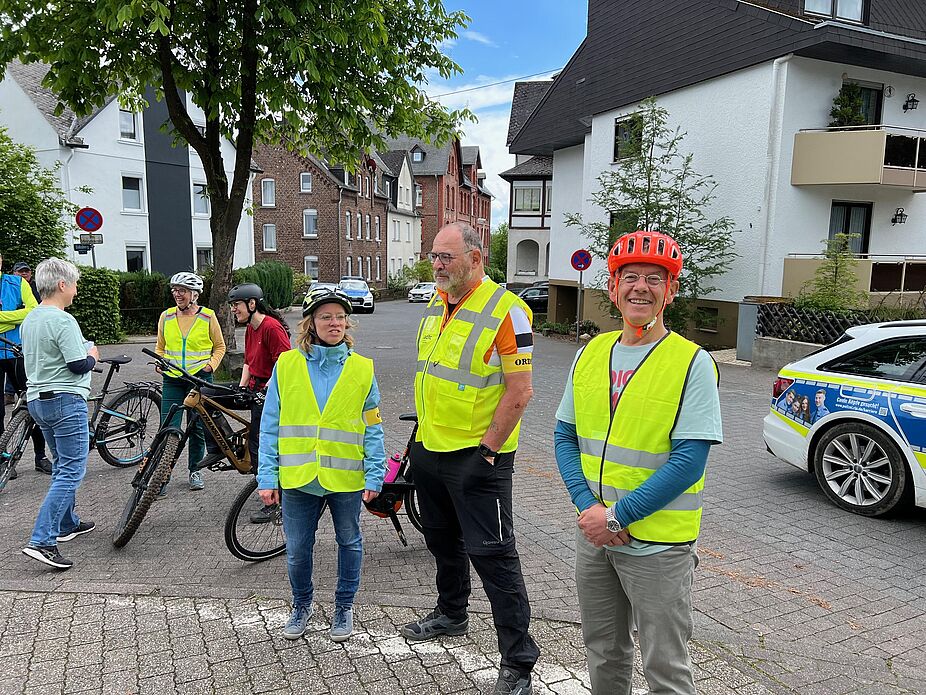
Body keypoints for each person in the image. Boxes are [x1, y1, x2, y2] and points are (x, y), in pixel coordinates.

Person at [554, 230, 722, 695]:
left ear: (670, 291)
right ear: (612, 287)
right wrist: (590, 510)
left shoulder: (692, 362)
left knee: (666, 668)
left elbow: (689, 461)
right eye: (630, 277)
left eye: (654, 278)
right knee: (603, 651)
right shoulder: (590, 353)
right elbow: (565, 436)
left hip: (658, 546)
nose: (640, 287)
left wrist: (616, 516)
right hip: (595, 536)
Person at [401, 222, 539, 695]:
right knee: (442, 541)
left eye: (446, 257)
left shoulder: (508, 311)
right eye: (434, 256)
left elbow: (519, 392)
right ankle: (451, 613)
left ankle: (519, 662)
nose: (436, 265)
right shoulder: (436, 305)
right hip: (430, 450)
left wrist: (487, 453)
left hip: (479, 459)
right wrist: (418, 444)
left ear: (476, 259)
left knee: (495, 556)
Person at [256, 286, 385, 643]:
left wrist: (375, 473)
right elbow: (270, 424)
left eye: (341, 317)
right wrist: (267, 475)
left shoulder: (362, 368)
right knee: (297, 550)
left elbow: (373, 426)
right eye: (326, 316)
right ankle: (301, 604)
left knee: (350, 542)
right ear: (311, 323)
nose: (335, 323)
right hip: (298, 478)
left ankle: (344, 605)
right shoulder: (288, 364)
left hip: (345, 477)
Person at [20, 259, 98, 570]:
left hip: (39, 400)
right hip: (66, 400)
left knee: (61, 464)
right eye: (75, 284)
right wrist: (92, 353)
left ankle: (67, 524)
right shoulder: (63, 321)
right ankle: (42, 539)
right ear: (63, 285)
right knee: (71, 470)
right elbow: (77, 364)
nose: (76, 291)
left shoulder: (30, 320)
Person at [198, 283, 291, 523]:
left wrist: (266, 392)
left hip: (271, 392)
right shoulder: (251, 328)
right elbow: (249, 363)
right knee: (204, 394)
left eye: (236, 305)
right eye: (232, 306)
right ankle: (219, 445)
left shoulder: (272, 328)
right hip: (253, 388)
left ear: (252, 304)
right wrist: (241, 388)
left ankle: (274, 504)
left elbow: (284, 366)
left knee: (259, 443)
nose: (233, 310)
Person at [154, 271, 226, 494]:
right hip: (173, 379)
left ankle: (195, 470)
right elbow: (160, 347)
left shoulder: (207, 316)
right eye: (175, 290)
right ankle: (162, 476)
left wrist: (210, 366)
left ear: (194, 295)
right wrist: (160, 362)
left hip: (199, 378)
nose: (177, 294)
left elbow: (219, 346)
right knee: (169, 427)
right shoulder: (166, 316)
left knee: (196, 427)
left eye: (182, 291)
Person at [0, 252, 50, 475]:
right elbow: (23, 314)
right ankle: (3, 459)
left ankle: (40, 456)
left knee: (33, 403)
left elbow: (32, 310)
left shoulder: (18, 282)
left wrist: (2, 318)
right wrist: (15, 317)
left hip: (18, 351)